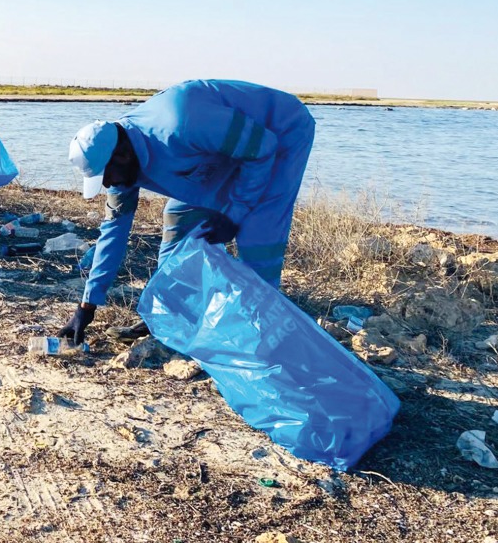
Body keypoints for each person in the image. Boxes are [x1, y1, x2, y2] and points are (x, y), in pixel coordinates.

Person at [60, 79, 315, 346]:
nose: (109, 184)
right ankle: (168, 317)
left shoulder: (179, 123)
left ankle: (263, 334)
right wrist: (87, 305)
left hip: (281, 132)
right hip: (221, 154)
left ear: (122, 156)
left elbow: (262, 146)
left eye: (107, 176)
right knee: (180, 221)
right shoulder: (121, 160)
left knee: (257, 233)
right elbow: (113, 231)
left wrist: (234, 214)